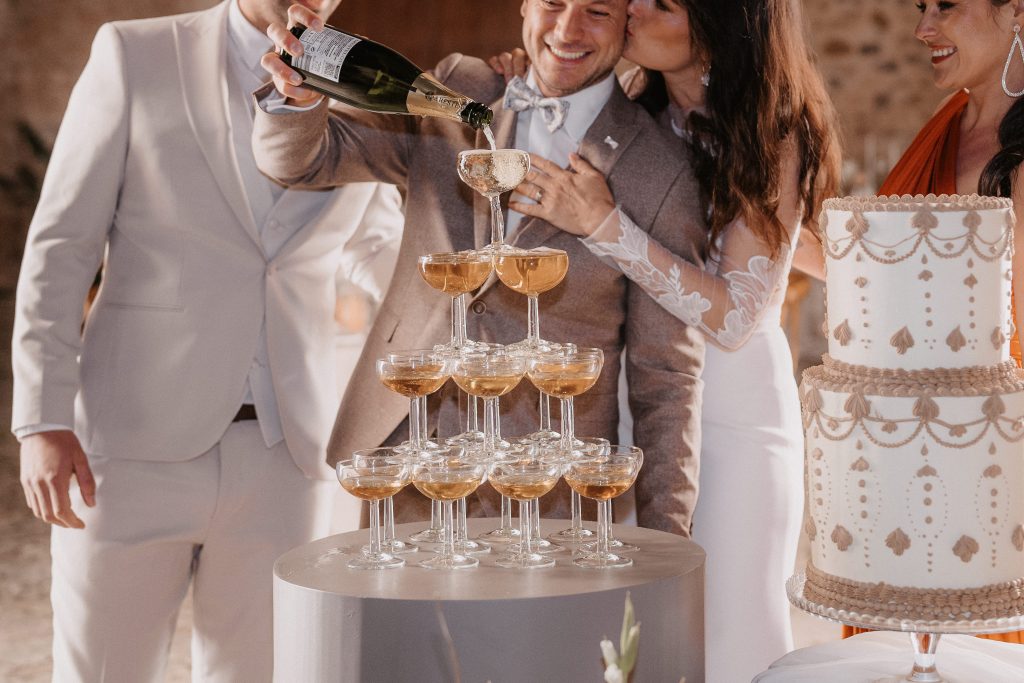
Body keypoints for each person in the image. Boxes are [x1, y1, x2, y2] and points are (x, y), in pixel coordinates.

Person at [11, 0, 403, 679]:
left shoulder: (366, 79)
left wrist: (458, 273)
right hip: (130, 447)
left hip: (288, 456)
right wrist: (41, 420)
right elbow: (61, 246)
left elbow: (376, 249)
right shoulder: (134, 54)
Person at [255, 0, 707, 536]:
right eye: (553, 4)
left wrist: (668, 540)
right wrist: (299, 99)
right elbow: (303, 161)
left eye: (596, 12)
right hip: (411, 449)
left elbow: (666, 379)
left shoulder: (660, 168)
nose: (566, 29)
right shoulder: (459, 85)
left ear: (626, 25)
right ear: (525, 7)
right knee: (400, 620)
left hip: (550, 481)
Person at [490, 0, 840, 679]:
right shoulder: (632, 104)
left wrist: (604, 224)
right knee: (634, 634)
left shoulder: (774, 128)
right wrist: (522, 75)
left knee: (730, 630)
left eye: (662, 2)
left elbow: (736, 319)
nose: (633, 9)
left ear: (721, 21)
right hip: (642, 399)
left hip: (736, 416)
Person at [840, 0, 1024, 645]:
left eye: (945, 6)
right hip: (899, 439)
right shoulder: (947, 122)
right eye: (920, 9)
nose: (923, 29)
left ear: (1018, 12)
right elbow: (884, 287)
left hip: (986, 450)